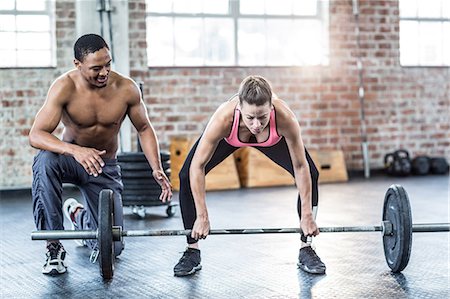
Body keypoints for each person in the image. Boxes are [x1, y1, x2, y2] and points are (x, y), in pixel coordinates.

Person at [29, 34, 172, 275]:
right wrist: (76, 151)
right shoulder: (64, 87)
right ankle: (53, 247)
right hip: (71, 161)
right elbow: (36, 135)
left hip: (104, 166)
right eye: (96, 68)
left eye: (108, 64)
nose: (104, 72)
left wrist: (155, 168)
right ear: (78, 64)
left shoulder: (126, 88)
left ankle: (77, 215)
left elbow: (144, 128)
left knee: (112, 247)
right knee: (44, 161)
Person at [173, 75, 326, 276]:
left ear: (271, 107)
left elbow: (300, 167)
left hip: (271, 139)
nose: (256, 125)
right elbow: (197, 166)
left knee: (312, 173)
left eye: (262, 117)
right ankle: (192, 250)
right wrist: (202, 216)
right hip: (231, 137)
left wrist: (307, 215)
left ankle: (306, 247)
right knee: (185, 175)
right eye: (250, 117)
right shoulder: (223, 118)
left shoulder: (285, 118)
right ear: (239, 109)